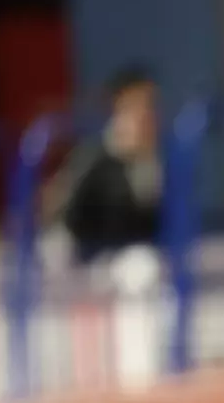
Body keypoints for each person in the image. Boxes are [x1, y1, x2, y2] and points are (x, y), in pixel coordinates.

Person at [57, 64, 163, 264]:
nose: (147, 115)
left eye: (152, 105)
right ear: (118, 108)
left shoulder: (155, 163)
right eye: (139, 105)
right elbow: (69, 223)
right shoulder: (92, 160)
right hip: (96, 269)